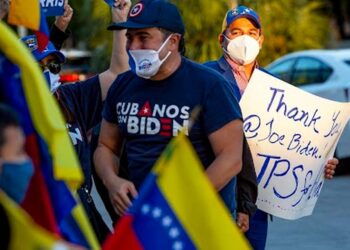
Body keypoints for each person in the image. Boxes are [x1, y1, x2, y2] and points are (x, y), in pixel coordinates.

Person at [93, 0, 243, 220]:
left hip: (201, 219)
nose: (133, 47)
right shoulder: (122, 85)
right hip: (146, 217)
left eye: (143, 38)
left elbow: (231, 158)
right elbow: (106, 146)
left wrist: (186, 199)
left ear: (173, 41)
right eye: (129, 38)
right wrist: (112, 181)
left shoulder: (209, 85)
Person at [205, 5, 339, 249]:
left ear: (261, 39)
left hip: (258, 203)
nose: (245, 38)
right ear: (221, 38)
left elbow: (293, 141)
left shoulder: (274, 84)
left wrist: (321, 163)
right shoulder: (205, 77)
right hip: (219, 195)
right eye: (235, 32)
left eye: (252, 32)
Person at [20, 0, 130, 243]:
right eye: (38, 66)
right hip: (42, 220)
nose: (48, 72)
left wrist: (120, 21)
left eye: (53, 65)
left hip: (84, 215)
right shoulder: (13, 111)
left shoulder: (69, 97)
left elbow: (118, 77)